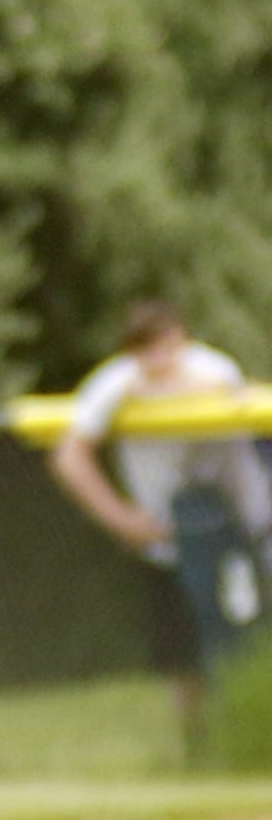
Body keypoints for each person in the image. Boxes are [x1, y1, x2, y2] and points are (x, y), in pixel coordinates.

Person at [50, 300, 271, 726]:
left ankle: (254, 733)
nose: (158, 358)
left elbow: (239, 412)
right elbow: (69, 455)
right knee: (183, 658)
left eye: (165, 343)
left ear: (182, 339)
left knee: (248, 646)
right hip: (168, 541)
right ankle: (201, 752)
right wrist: (122, 519)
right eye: (144, 347)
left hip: (238, 533)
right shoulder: (115, 384)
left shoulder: (214, 370)